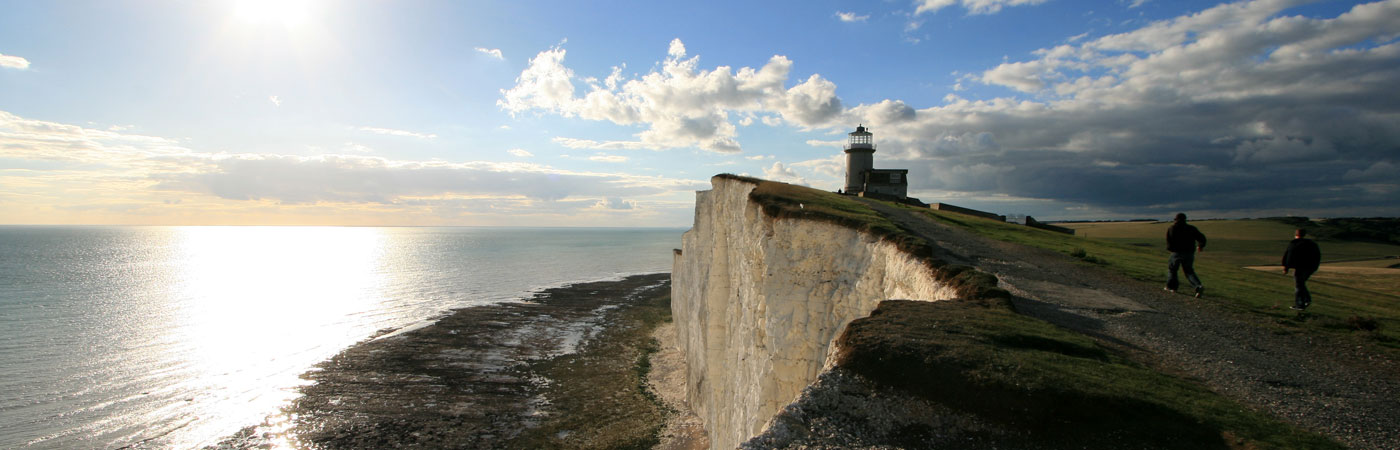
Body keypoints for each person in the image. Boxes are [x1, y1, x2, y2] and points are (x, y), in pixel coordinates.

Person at [1165, 213, 1207, 298]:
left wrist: (1171, 249)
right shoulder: (1191, 228)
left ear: (1175, 220)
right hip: (1189, 253)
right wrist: (1200, 246)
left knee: (1172, 270)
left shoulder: (1172, 228)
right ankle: (1198, 286)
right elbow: (1202, 238)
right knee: (1189, 271)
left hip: (1176, 252)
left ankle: (1172, 287)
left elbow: (1169, 242)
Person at [1282, 229, 1322, 311]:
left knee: (1299, 285)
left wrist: (1286, 267)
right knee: (1301, 284)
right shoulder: (1312, 244)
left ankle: (1300, 304)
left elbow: (1288, 256)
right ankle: (1306, 299)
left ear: (1296, 235)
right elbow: (1317, 256)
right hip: (1310, 267)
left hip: (1300, 267)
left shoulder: (1294, 244)